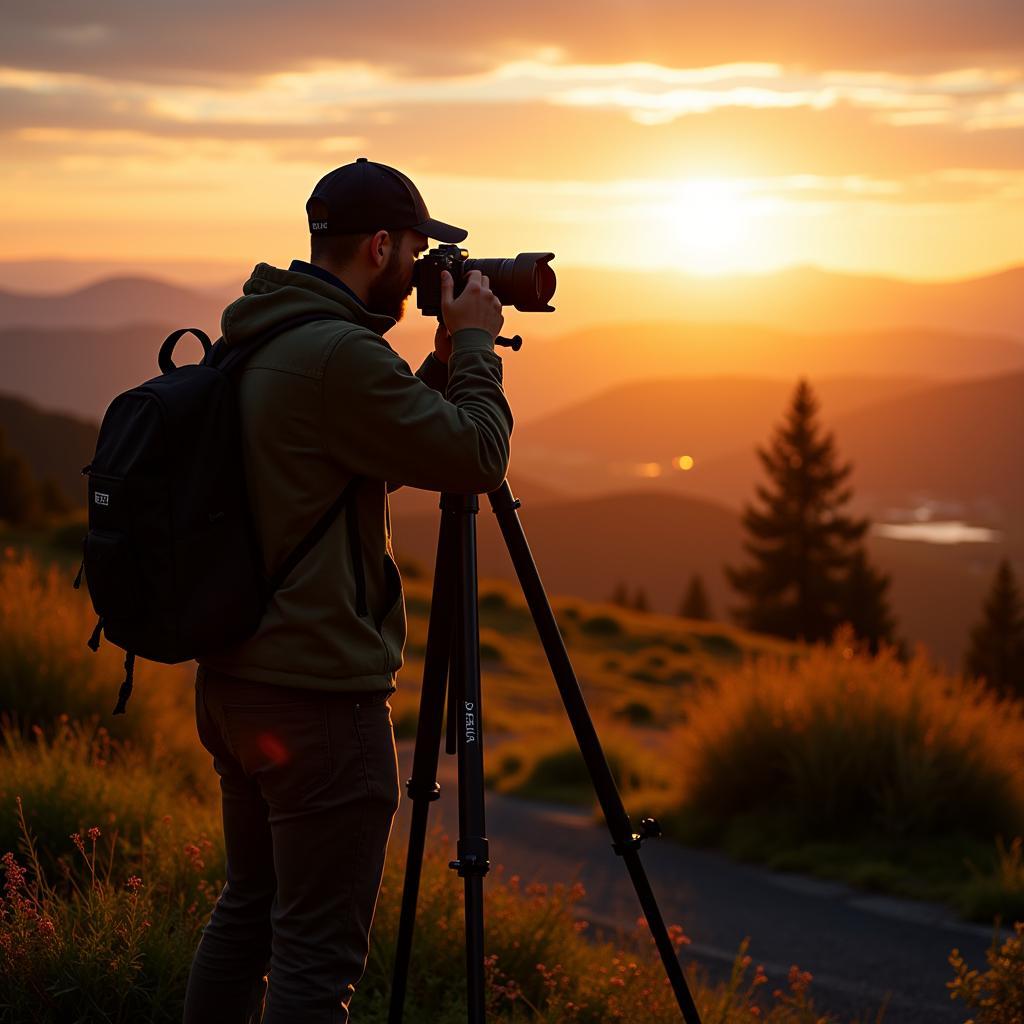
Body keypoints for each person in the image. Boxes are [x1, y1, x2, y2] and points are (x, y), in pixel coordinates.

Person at [182, 158, 513, 1024]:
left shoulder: (268, 330)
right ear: (380, 246)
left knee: (249, 914)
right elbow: (476, 458)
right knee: (316, 964)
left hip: (238, 681)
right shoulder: (338, 354)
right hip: (320, 703)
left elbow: (358, 450)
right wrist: (477, 344)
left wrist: (437, 365)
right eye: (415, 250)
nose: (421, 270)